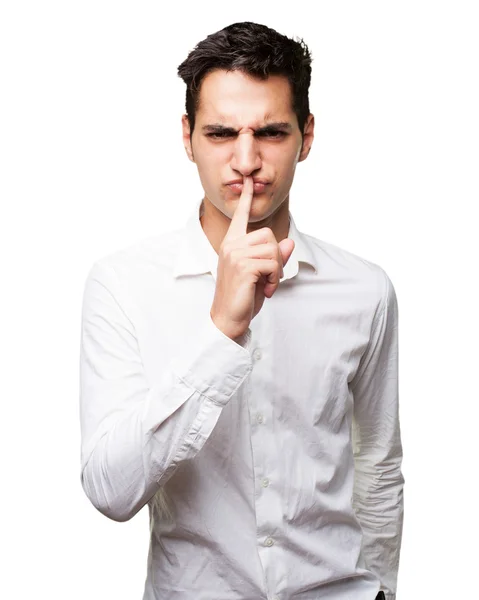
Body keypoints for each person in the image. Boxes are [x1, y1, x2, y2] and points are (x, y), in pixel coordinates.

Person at [79, 21, 403, 600]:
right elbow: (109, 489)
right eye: (222, 132)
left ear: (306, 136)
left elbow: (376, 465)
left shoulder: (365, 289)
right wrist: (222, 330)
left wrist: (382, 590)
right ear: (188, 137)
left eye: (272, 132)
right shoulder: (124, 284)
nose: (246, 160)